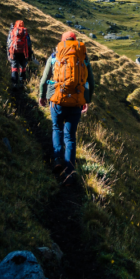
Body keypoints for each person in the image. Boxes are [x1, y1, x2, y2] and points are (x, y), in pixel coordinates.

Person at [38, 31, 94, 179]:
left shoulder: (55, 55)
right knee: (70, 137)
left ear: (63, 41)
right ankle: (69, 172)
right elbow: (91, 82)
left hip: (58, 100)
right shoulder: (83, 57)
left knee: (57, 128)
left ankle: (57, 159)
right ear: (75, 41)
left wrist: (42, 96)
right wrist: (86, 101)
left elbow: (44, 79)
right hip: (76, 102)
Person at [7, 20, 33, 88]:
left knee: (14, 67)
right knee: (23, 67)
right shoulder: (26, 33)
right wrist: (29, 54)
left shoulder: (12, 32)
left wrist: (9, 53)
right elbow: (29, 44)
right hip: (23, 52)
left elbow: (8, 43)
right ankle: (22, 82)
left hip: (14, 52)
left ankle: (14, 84)